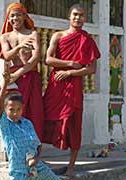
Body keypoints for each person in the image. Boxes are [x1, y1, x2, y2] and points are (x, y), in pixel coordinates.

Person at [43, 3, 101, 179]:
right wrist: (68, 63)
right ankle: (38, 159)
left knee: (75, 125)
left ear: (85, 18)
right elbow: (48, 59)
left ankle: (70, 167)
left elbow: (91, 69)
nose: (78, 18)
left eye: (82, 15)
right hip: (56, 86)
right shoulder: (58, 36)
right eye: (75, 14)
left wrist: (70, 72)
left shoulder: (87, 39)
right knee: (46, 118)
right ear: (69, 16)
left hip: (74, 86)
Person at [0, 64, 60, 180]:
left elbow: (38, 146)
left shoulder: (27, 124)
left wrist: (36, 159)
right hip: (19, 172)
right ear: (5, 110)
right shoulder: (5, 125)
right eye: (11, 110)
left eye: (18, 109)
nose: (15, 113)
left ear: (23, 108)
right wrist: (5, 84)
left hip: (37, 168)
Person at [0, 2, 44, 141]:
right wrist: (19, 47)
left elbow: (35, 58)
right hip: (12, 80)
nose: (14, 18)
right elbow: (7, 55)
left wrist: (18, 74)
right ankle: (13, 147)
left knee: (33, 112)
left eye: (17, 15)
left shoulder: (33, 34)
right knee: (11, 110)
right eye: (11, 16)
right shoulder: (5, 37)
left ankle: (33, 149)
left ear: (24, 16)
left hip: (29, 75)